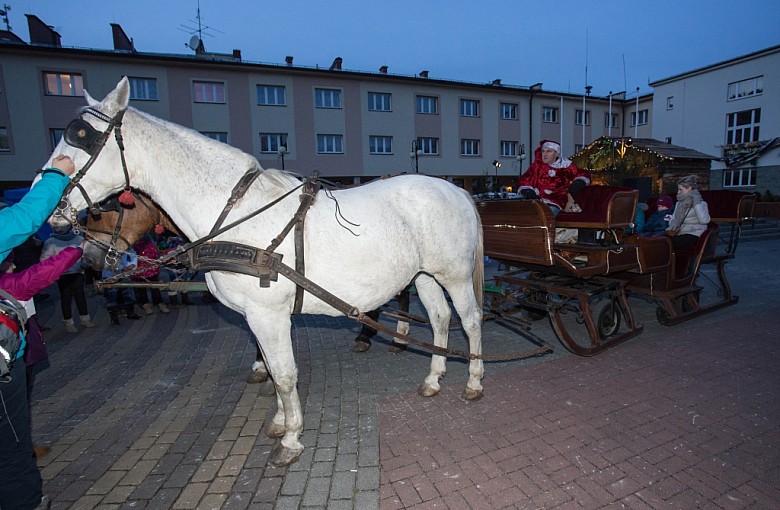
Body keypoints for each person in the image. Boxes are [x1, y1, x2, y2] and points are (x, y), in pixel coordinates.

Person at [0, 154, 75, 510]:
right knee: (11, 446)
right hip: (5, 361)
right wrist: (56, 175)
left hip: (17, 349)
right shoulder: (14, 279)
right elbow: (25, 219)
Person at [41, 226, 96, 332]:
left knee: (80, 295)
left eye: (63, 226)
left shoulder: (78, 239)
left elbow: (86, 255)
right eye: (57, 227)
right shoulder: (51, 242)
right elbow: (45, 259)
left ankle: (85, 319)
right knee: (66, 297)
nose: (60, 229)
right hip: (63, 275)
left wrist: (84, 264)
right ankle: (68, 322)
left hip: (77, 271)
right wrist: (55, 270)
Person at [516, 140, 591, 217]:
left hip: (556, 202)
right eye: (543, 151)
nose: (545, 154)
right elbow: (525, 180)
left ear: (556, 153)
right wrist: (528, 190)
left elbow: (582, 174)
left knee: (545, 215)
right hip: (537, 201)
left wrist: (579, 181)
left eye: (549, 151)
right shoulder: (536, 167)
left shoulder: (565, 166)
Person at [666, 176, 711, 250]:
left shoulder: (701, 203)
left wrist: (696, 203)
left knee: (670, 242)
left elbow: (704, 221)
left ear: (689, 188)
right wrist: (671, 228)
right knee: (661, 240)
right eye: (678, 189)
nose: (678, 192)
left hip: (695, 234)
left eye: (680, 189)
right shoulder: (679, 204)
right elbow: (673, 219)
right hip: (680, 232)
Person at [102, 248, 142, 325]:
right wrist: (122, 268)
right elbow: (108, 261)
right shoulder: (108, 248)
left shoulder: (128, 247)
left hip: (125, 275)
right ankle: (114, 318)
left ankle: (131, 313)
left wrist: (133, 265)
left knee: (129, 295)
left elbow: (133, 254)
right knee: (111, 297)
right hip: (110, 276)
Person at [131, 236, 170, 314]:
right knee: (141, 288)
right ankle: (145, 305)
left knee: (155, 287)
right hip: (138, 269)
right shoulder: (132, 244)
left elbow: (155, 253)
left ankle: (160, 303)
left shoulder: (149, 241)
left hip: (150, 268)